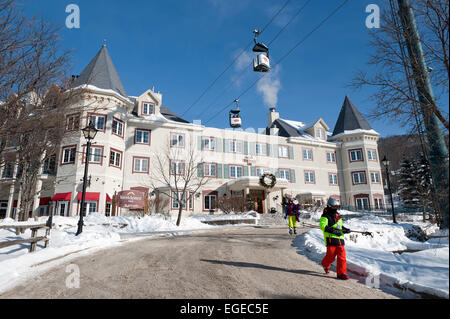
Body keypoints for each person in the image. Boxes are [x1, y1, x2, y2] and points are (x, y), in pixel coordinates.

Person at [319, 197, 351, 280]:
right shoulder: (325, 216)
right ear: (330, 206)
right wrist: (333, 231)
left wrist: (345, 230)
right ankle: (325, 264)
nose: (336, 209)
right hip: (331, 239)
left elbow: (339, 226)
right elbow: (322, 226)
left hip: (340, 240)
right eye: (334, 207)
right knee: (331, 257)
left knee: (342, 257)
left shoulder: (338, 216)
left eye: (337, 207)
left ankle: (341, 273)